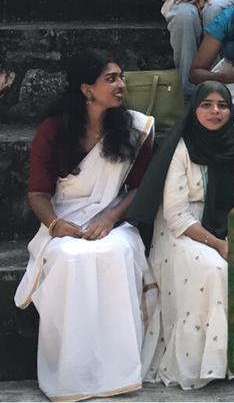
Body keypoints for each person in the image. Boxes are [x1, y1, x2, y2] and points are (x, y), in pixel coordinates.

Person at [16, 50, 158, 402]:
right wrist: (56, 225)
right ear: (86, 89)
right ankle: (72, 373)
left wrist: (110, 218)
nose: (121, 85)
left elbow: (139, 188)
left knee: (117, 251)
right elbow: (37, 193)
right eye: (111, 79)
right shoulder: (53, 130)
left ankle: (118, 371)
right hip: (63, 219)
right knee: (69, 257)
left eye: (121, 77)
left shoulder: (136, 128)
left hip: (114, 217)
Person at [127, 82, 234, 390]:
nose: (215, 111)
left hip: (226, 228)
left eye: (222, 105)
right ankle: (203, 362)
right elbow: (176, 215)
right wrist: (218, 244)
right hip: (183, 232)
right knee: (215, 268)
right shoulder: (181, 148)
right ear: (194, 110)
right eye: (206, 105)